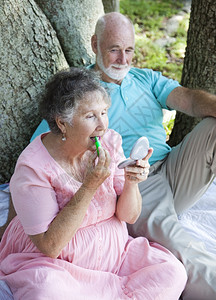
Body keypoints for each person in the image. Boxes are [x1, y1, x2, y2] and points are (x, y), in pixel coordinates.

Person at [29, 12, 216, 300]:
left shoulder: (145, 78)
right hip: (134, 183)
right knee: (183, 246)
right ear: (94, 44)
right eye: (114, 49)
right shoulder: (79, 94)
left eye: (129, 50)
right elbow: (41, 147)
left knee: (213, 126)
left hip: (173, 167)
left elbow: (190, 99)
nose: (123, 59)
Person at [0, 67, 187, 299]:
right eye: (90, 116)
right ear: (62, 123)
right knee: (46, 290)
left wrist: (131, 182)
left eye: (104, 112)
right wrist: (89, 186)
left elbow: (128, 217)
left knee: (172, 272)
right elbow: (50, 246)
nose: (102, 125)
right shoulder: (33, 167)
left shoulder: (109, 141)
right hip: (58, 266)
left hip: (116, 256)